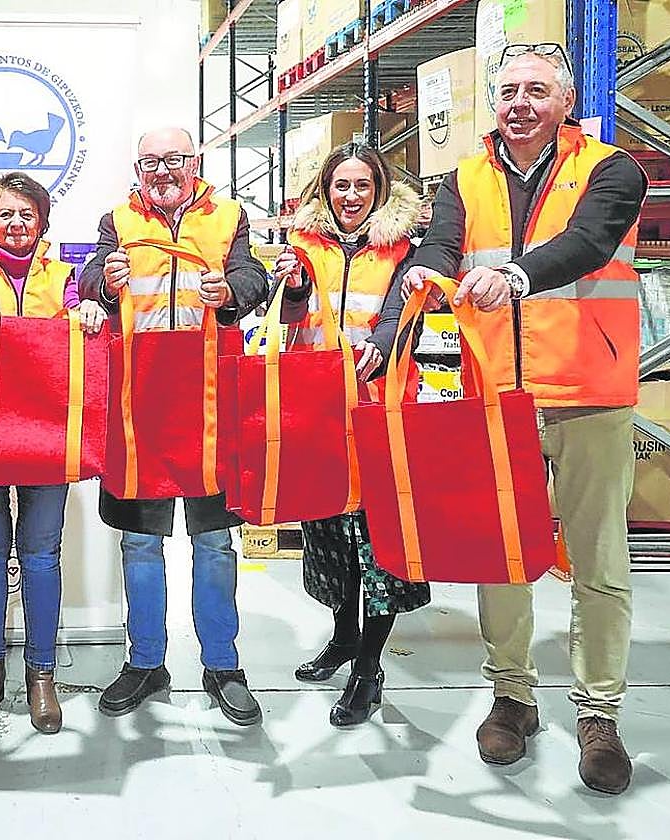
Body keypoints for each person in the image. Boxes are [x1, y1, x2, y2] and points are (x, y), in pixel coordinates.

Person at [403, 44, 647, 795]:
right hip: (494, 401)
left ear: (565, 100)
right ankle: (513, 697)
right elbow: (445, 246)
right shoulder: (462, 178)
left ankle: (598, 712)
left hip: (588, 392)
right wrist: (425, 270)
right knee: (500, 554)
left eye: (536, 90)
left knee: (599, 562)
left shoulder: (612, 169)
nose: (518, 103)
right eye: (507, 90)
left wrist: (515, 274)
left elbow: (587, 244)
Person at [78, 127, 270, 726]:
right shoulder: (116, 219)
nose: (162, 171)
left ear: (195, 162)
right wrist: (99, 286)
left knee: (215, 542)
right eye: (150, 163)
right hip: (139, 403)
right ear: (137, 168)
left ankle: (223, 664)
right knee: (140, 542)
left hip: (212, 399)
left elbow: (255, 279)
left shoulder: (230, 215)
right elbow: (86, 282)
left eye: (173, 160)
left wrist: (230, 289)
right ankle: (145, 662)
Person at [271, 143, 431, 727]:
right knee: (331, 537)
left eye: (363, 185)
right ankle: (343, 637)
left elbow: (399, 319)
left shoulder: (404, 252)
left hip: (379, 414)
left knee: (379, 545)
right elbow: (290, 319)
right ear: (325, 190)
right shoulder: (304, 248)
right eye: (341, 185)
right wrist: (289, 288)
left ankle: (369, 666)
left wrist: (381, 348)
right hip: (319, 414)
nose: (351, 196)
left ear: (380, 191)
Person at [0, 172, 106, 735]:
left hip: (46, 436)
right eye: (5, 215)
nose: (16, 226)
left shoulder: (65, 277)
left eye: (27, 215)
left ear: (42, 220)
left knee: (42, 557)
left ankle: (42, 675)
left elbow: (79, 311)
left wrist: (88, 313)